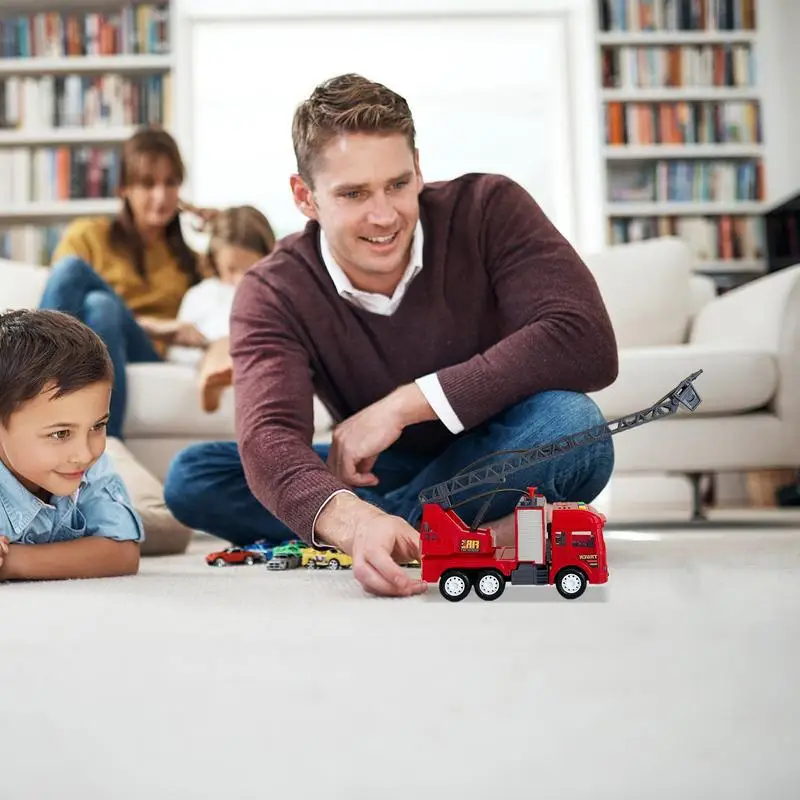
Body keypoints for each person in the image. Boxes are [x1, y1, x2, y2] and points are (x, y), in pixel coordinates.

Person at [163, 73, 619, 598]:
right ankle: (438, 531)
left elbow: (586, 341)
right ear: (304, 196)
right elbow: (270, 435)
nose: (384, 216)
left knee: (572, 425)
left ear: (419, 168)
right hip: (382, 473)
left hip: (503, 445)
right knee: (194, 475)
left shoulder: (491, 208)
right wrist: (353, 516)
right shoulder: (274, 289)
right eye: (354, 193)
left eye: (398, 185)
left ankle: (396, 533)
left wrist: (403, 405)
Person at [38, 126, 211, 441]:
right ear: (124, 189)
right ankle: (106, 444)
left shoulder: (192, 261)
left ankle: (24, 394)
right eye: (147, 184)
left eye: (170, 183)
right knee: (96, 301)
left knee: (104, 307)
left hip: (142, 351)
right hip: (86, 346)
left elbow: (240, 291)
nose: (160, 196)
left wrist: (223, 226)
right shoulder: (89, 235)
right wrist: (157, 326)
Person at [0, 309, 144, 582]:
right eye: (60, 433)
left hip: (118, 475)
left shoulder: (91, 464)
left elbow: (123, 553)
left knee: (167, 528)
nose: (85, 453)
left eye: (98, 426)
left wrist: (12, 562)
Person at [167, 204, 276, 369]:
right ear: (215, 262)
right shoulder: (200, 296)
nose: (241, 280)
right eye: (231, 269)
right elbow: (176, 357)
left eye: (251, 269)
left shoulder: (279, 295)